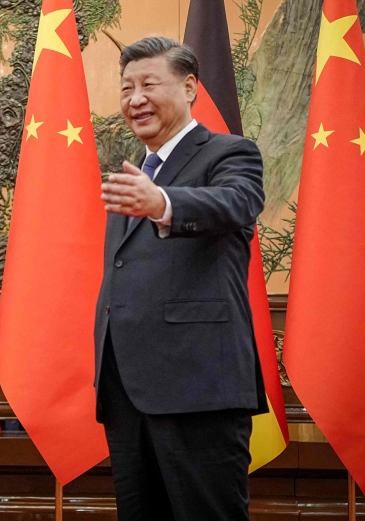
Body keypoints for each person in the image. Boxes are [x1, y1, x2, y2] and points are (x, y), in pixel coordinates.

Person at [96, 37, 266, 521]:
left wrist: (164, 203)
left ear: (189, 87)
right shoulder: (136, 173)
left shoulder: (230, 153)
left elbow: (237, 203)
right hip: (128, 394)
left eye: (149, 84)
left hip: (198, 390)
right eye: (126, 88)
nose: (135, 99)